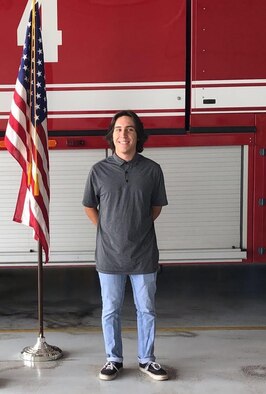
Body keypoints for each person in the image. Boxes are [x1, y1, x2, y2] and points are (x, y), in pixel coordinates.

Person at [82, 110, 168, 381]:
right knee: (111, 309)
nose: (123, 134)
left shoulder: (152, 170)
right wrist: (109, 230)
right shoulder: (98, 171)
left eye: (129, 129)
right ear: (112, 136)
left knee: (146, 309)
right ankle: (113, 359)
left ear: (137, 135)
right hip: (109, 256)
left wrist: (135, 228)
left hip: (143, 254)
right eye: (118, 129)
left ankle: (147, 360)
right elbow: (89, 206)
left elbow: (155, 208)